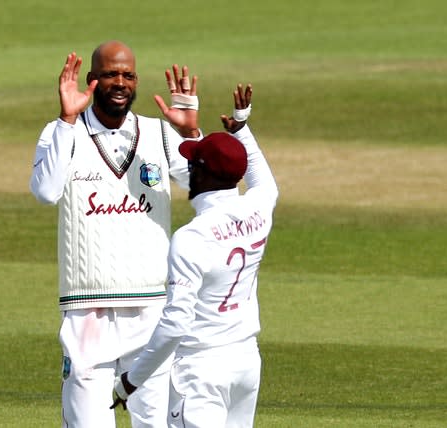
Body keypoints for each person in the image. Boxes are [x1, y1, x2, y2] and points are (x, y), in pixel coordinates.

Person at [29, 40, 202, 428]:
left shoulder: (159, 133)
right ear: (91, 80)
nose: (120, 82)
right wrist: (66, 122)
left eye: (127, 74)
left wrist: (191, 135)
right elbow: (45, 191)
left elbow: (207, 187)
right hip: (88, 310)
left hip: (151, 309)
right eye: (110, 74)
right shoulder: (62, 132)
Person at [111, 84, 280, 428]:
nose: (189, 169)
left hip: (201, 369)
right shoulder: (259, 208)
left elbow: (175, 323)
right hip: (246, 363)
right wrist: (243, 128)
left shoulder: (192, 238)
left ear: (201, 174)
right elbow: (264, 180)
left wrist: (132, 380)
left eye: (193, 164)